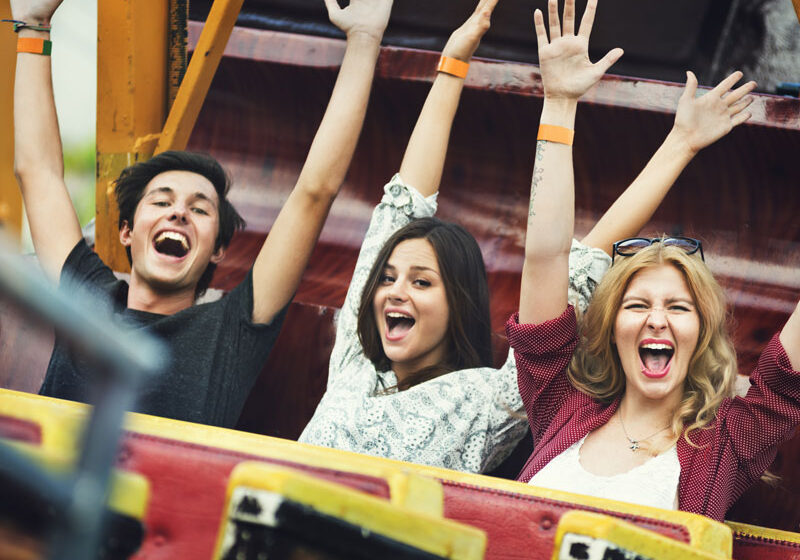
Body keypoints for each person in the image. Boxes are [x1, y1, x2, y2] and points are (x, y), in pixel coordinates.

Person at [297, 0, 727, 474]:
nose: (396, 291)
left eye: (421, 282)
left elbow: (575, 263)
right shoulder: (356, 364)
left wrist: (679, 145)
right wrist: (452, 63)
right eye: (390, 279)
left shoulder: (489, 400)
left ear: (458, 303)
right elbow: (402, 208)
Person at [10, 0, 394, 427]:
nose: (178, 213)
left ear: (216, 251)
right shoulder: (87, 298)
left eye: (199, 209)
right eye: (161, 201)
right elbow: (37, 173)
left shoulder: (230, 332)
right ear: (125, 232)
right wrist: (33, 27)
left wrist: (363, 39)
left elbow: (314, 193)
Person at [508, 0, 800, 520]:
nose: (657, 319)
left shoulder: (727, 443)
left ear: (703, 332)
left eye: (679, 308)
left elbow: (784, 379)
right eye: (637, 304)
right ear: (611, 326)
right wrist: (558, 104)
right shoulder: (561, 404)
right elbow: (547, 256)